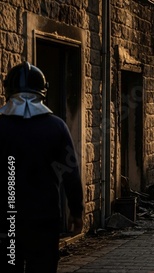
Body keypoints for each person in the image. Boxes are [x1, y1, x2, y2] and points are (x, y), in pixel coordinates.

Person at [1, 62, 84, 273]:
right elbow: (71, 175)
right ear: (42, 92)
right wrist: (76, 211)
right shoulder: (56, 126)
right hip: (43, 219)